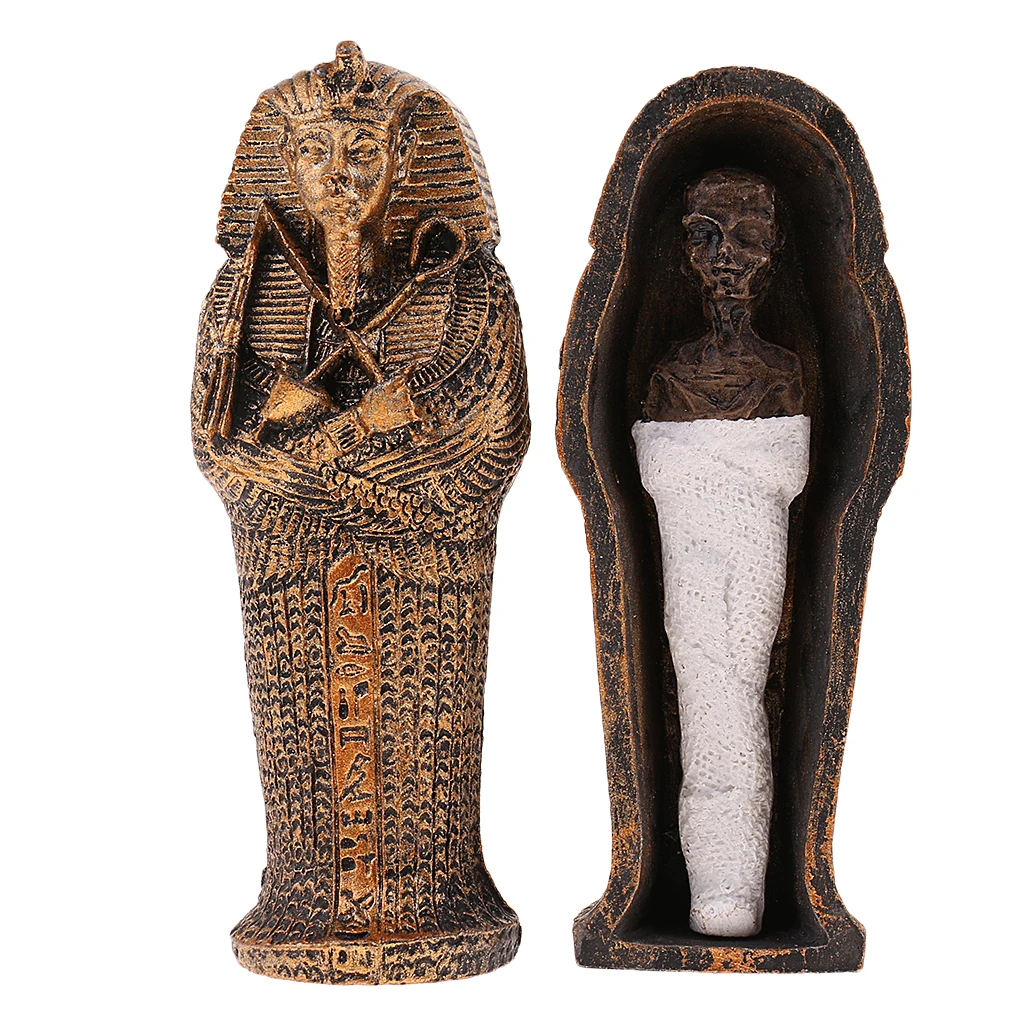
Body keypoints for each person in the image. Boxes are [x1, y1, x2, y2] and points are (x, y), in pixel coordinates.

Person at [192, 43, 529, 983]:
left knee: (421, 741)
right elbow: (219, 443)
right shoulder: (247, 289)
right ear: (282, 162)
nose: (336, 177)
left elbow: (490, 435)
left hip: (429, 570)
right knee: (306, 731)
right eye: (313, 153)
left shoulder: (467, 288)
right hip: (289, 566)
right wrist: (328, 446)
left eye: (362, 154)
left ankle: (435, 895)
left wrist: (338, 446)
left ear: (406, 162)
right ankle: (305, 895)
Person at [633, 169, 808, 938]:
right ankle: (717, 882)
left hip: (754, 537)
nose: (727, 258)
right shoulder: (672, 375)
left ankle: (737, 881)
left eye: (747, 238)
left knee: (738, 681)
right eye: (707, 237)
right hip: (690, 546)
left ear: (773, 251)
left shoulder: (783, 375)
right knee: (704, 685)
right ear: (688, 254)